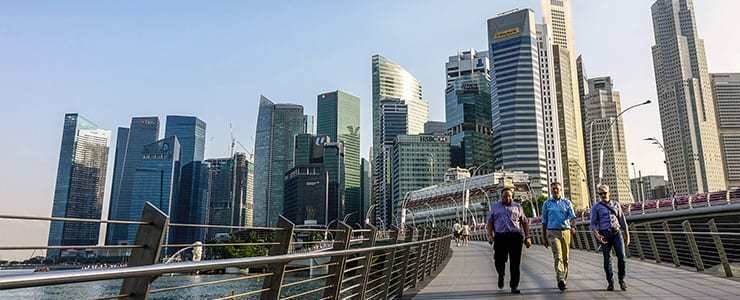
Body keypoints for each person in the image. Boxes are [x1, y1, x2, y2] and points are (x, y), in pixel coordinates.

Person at [486, 187, 532, 294]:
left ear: (512, 196)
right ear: (501, 196)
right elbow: (490, 222)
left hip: (515, 236)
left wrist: (528, 237)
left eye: (509, 196)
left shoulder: (518, 206)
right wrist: (490, 235)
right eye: (505, 196)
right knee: (499, 260)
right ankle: (501, 274)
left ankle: (514, 286)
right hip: (500, 237)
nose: (507, 198)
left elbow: (524, 222)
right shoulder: (494, 207)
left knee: (515, 263)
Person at [590, 184, 630, 291]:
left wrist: (627, 234)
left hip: (617, 233)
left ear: (609, 193)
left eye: (605, 193)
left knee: (622, 257)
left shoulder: (616, 204)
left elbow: (622, 220)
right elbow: (593, 224)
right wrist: (597, 235)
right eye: (601, 193)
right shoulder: (596, 207)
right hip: (604, 235)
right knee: (607, 259)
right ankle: (610, 282)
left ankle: (621, 280)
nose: (603, 195)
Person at [541, 182, 577, 291]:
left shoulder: (567, 202)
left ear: (560, 190)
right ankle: (560, 279)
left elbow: (573, 217)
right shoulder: (547, 204)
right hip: (552, 232)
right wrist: (544, 237)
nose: (555, 190)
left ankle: (563, 280)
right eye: (553, 189)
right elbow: (544, 222)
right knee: (558, 256)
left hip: (566, 231)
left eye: (557, 188)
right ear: (551, 190)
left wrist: (573, 226)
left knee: (566, 258)